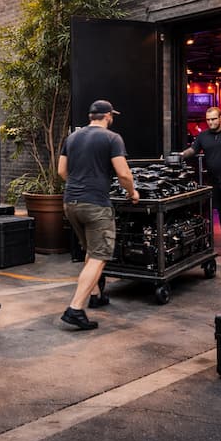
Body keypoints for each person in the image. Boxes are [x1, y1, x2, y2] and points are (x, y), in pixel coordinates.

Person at [58, 99, 139, 330]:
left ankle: (95, 295)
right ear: (108, 116)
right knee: (99, 256)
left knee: (91, 251)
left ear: (90, 116)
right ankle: (75, 309)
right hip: (95, 205)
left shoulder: (72, 137)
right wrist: (132, 192)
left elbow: (61, 171)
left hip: (70, 203)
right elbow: (124, 174)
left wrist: (79, 185)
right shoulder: (112, 138)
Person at [181, 106, 221, 265]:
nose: (210, 122)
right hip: (215, 182)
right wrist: (180, 155)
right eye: (208, 120)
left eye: (214, 119)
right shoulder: (203, 136)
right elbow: (193, 150)